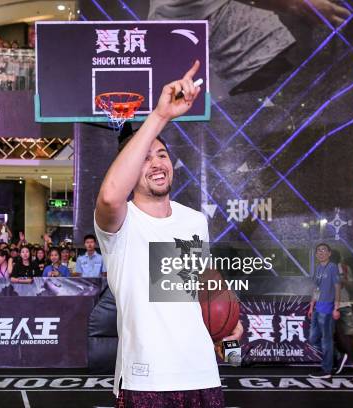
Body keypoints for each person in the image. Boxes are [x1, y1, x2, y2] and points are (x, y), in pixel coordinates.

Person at [94, 60, 242, 406]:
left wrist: (228, 328)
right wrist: (160, 116)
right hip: (146, 378)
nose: (157, 163)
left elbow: (203, 290)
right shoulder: (120, 221)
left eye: (161, 154)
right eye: (145, 158)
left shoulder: (193, 221)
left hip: (203, 374)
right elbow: (111, 194)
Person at [308, 243, 341, 379]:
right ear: (316, 255)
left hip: (328, 308)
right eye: (318, 251)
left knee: (326, 340)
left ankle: (327, 370)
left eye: (323, 250)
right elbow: (316, 289)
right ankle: (337, 356)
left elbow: (337, 287)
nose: (320, 253)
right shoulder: (318, 268)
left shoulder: (333, 267)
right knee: (313, 339)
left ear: (329, 253)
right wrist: (311, 306)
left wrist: (336, 308)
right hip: (317, 308)